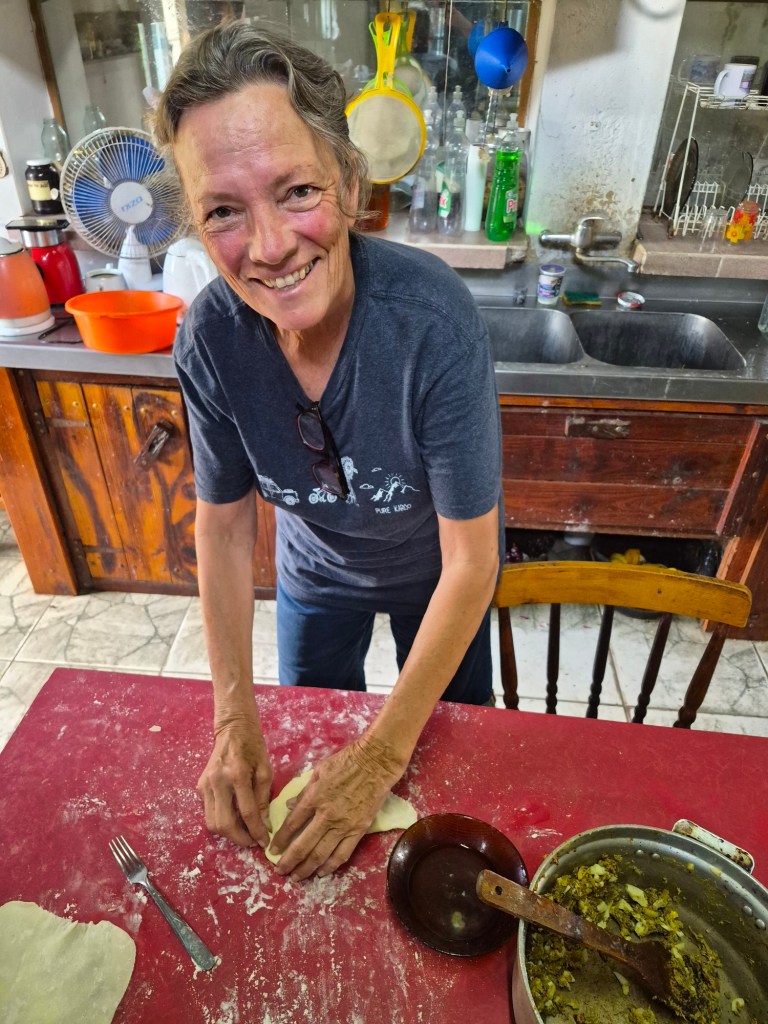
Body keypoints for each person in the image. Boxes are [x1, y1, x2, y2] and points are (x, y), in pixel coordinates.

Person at [153, 21, 503, 882]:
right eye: (224, 211)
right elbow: (225, 526)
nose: (270, 246)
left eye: (297, 190)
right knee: (302, 752)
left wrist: (382, 754)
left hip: (439, 578)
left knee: (454, 775)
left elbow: (473, 558)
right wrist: (232, 717)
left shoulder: (432, 325)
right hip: (316, 576)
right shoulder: (211, 341)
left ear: (349, 183)